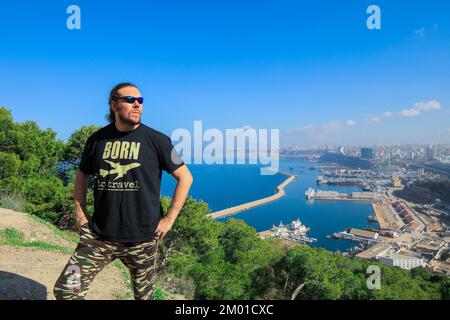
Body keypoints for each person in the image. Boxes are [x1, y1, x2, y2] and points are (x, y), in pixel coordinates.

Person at [54, 82, 193, 300]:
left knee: (144, 297)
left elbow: (185, 177)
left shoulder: (158, 141)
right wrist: (80, 212)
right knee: (67, 290)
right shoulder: (96, 140)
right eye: (130, 100)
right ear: (114, 105)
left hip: (143, 240)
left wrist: (169, 219)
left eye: (140, 101)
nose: (137, 105)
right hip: (99, 237)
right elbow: (82, 174)